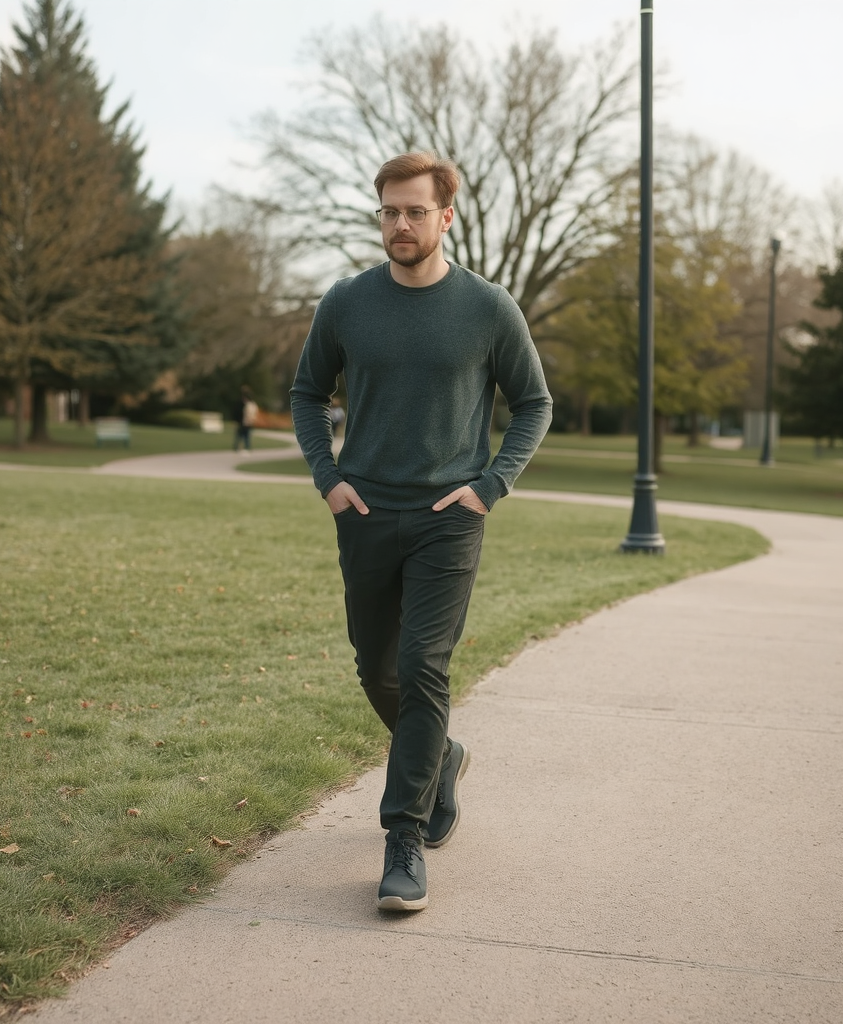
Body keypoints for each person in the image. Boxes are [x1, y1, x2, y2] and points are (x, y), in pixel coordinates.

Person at [290, 151, 552, 912]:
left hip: (449, 520)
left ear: (445, 217)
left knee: (424, 666)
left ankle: (402, 836)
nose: (400, 225)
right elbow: (309, 393)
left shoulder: (488, 307)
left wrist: (490, 485)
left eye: (414, 211)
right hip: (366, 512)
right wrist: (329, 478)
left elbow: (532, 402)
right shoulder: (344, 303)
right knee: (379, 672)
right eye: (388, 211)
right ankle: (441, 755)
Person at [233, 385, 257, 451]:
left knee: (242, 435)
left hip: (245, 422)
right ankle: (246, 447)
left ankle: (240, 447)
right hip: (249, 422)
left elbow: (246, 414)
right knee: (245, 435)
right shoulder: (253, 405)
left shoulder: (248, 405)